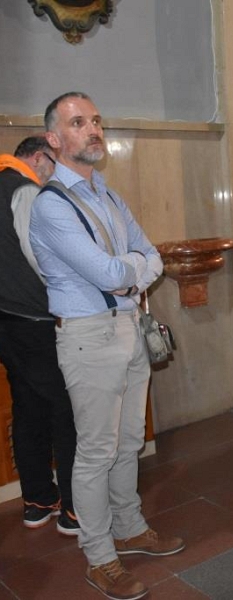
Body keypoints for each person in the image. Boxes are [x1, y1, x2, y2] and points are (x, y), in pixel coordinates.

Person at [29, 92, 184, 600]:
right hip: (88, 336)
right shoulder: (51, 204)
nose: (93, 129)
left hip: (127, 329)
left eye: (96, 120)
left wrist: (133, 270)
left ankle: (131, 526)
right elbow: (109, 272)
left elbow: (151, 257)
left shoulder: (109, 196)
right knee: (95, 452)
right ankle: (100, 557)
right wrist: (133, 270)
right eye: (79, 123)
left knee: (128, 443)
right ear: (54, 140)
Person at [0, 136, 79, 535]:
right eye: (52, 162)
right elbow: (40, 255)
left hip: (5, 322)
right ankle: (73, 508)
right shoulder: (26, 189)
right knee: (66, 407)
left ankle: (37, 499)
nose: (55, 172)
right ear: (36, 156)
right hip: (35, 318)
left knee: (27, 406)